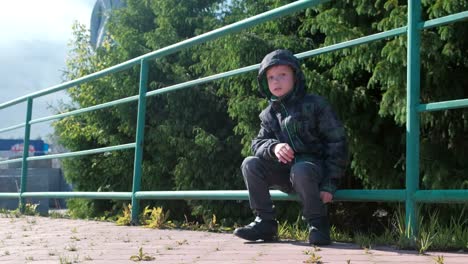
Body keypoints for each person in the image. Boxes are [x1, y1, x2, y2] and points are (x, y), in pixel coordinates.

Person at [233, 49, 348, 245]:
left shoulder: (315, 104)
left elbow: (337, 143)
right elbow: (257, 144)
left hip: (313, 170)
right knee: (250, 163)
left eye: (282, 75)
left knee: (301, 168)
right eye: (270, 77)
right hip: (285, 173)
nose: (276, 81)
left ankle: (318, 224)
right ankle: (265, 223)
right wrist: (273, 147)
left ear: (295, 76)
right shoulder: (269, 114)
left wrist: (330, 183)